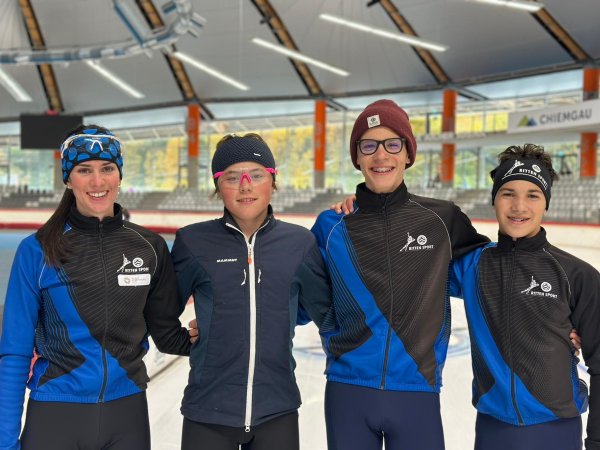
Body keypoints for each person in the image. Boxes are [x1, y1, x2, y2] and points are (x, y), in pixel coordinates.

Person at [310, 99, 490, 450]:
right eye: (368, 146)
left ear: (408, 153)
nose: (381, 155)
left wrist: (560, 319)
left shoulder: (442, 220)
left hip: (417, 389)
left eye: (393, 144)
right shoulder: (330, 226)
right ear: (357, 157)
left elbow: (493, 275)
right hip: (348, 390)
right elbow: (299, 297)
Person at [0, 125, 192, 450]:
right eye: (84, 170)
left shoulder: (150, 248)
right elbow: (15, 352)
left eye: (107, 168)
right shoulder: (38, 251)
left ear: (119, 175)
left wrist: (214, 334)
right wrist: (4, 442)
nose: (97, 181)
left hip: (127, 416)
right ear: (68, 179)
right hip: (55, 416)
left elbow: (166, 333)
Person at [171, 133, 334, 450]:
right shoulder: (193, 242)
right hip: (207, 410)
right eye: (232, 177)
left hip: (277, 409)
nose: (245, 186)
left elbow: (328, 314)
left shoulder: (299, 244)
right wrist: (185, 342)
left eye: (256, 175)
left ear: (273, 181)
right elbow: (160, 312)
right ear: (218, 186)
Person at [449, 144, 600, 450]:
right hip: (492, 430)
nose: (519, 206)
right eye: (508, 193)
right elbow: (409, 266)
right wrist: (364, 207)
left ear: (546, 203)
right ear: (494, 199)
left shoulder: (577, 275)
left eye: (533, 195)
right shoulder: (472, 266)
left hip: (556, 430)